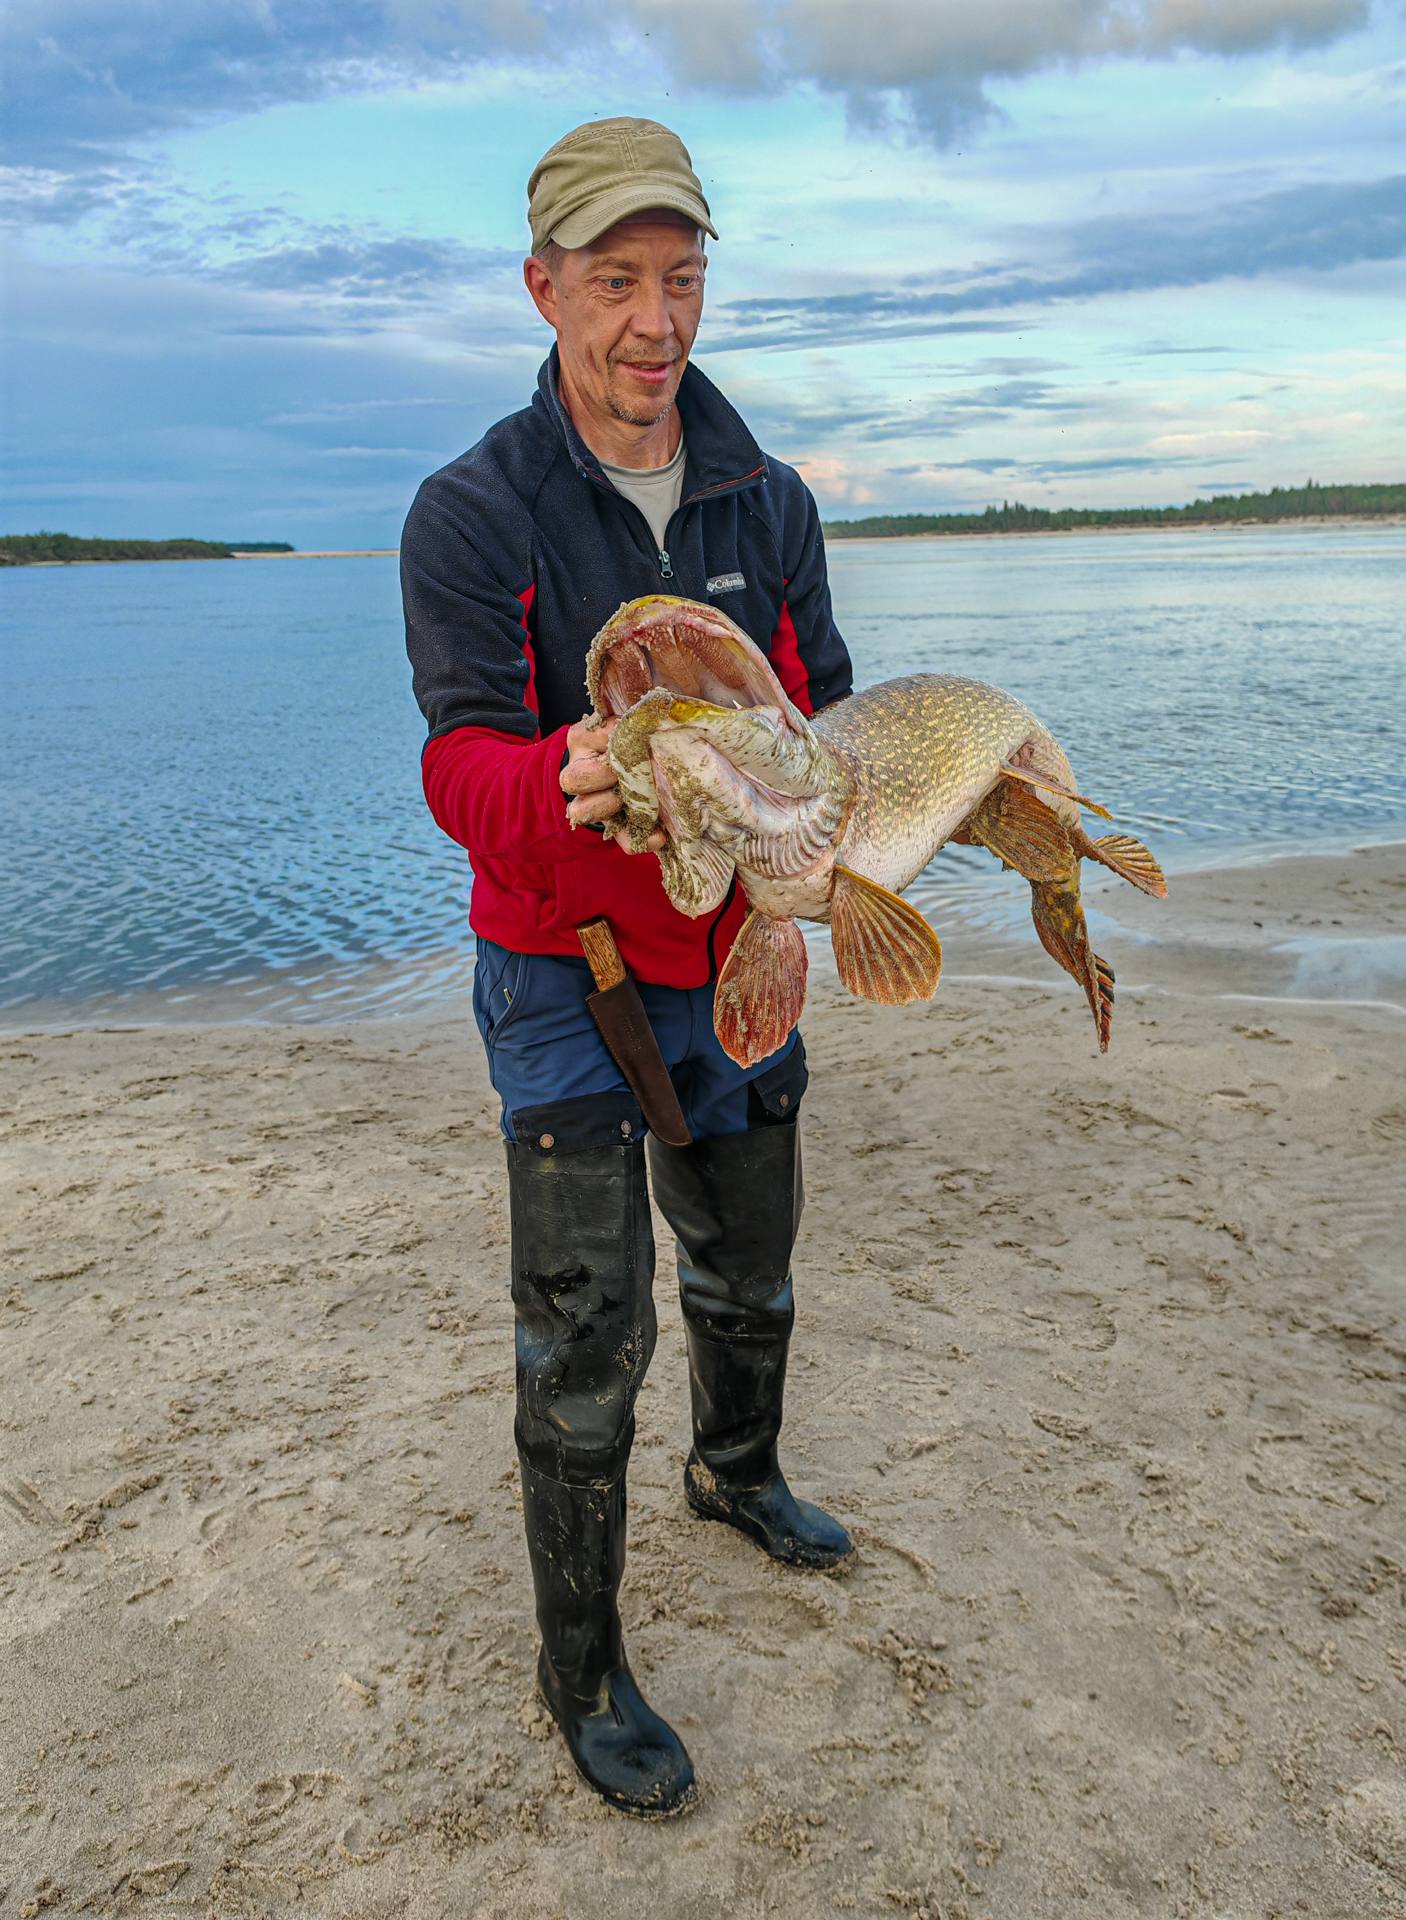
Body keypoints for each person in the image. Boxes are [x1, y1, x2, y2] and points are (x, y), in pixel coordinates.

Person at [401, 117, 854, 1819]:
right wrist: (561, 780)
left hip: (737, 953)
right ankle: (579, 1667)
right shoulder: (473, 512)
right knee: (585, 1340)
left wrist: (854, 848)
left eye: (681, 278)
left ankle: (735, 1473)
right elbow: (461, 763)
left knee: (750, 1267)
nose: (655, 322)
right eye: (615, 282)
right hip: (563, 971)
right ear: (544, 288)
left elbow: (825, 715)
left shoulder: (768, 498)